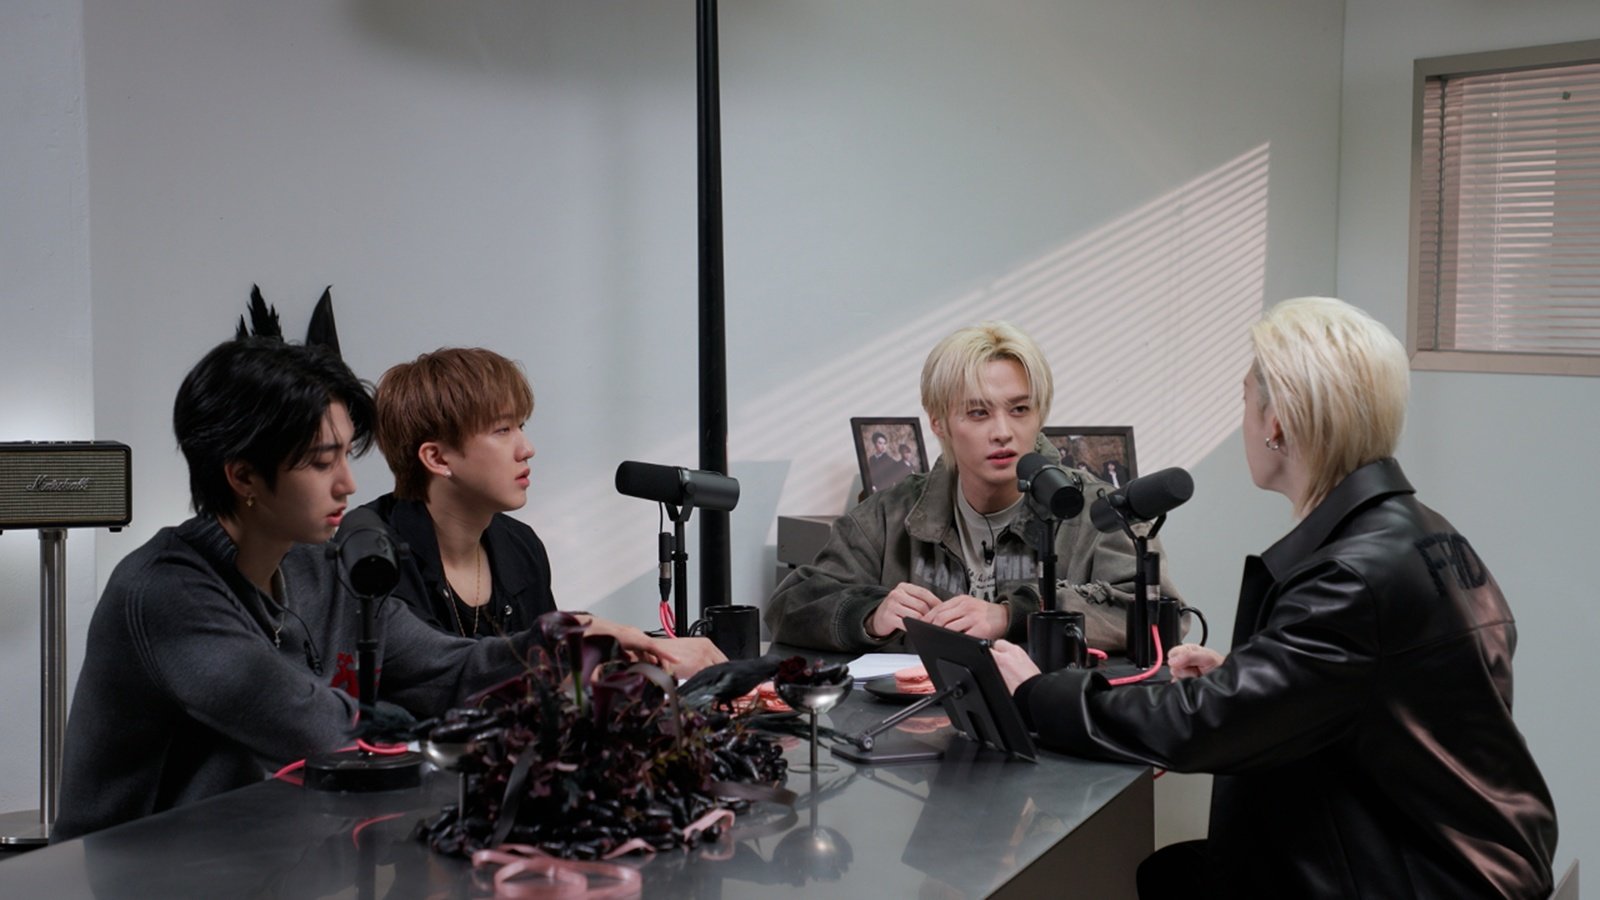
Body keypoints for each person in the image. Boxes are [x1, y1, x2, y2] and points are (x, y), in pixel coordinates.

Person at [992, 297, 1557, 898]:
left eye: (1245, 400)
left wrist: (1038, 694)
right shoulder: (1425, 534)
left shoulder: (1352, 576)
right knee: (1171, 873)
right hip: (1466, 862)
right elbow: (1387, 694)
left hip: (1418, 880)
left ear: (1278, 423)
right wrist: (1250, 674)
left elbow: (1203, 726)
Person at [54, 338, 548, 840]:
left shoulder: (324, 567)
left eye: (346, 456)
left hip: (267, 861)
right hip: (140, 871)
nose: (348, 484)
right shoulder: (164, 591)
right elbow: (316, 730)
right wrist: (415, 725)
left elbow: (449, 669)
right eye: (321, 462)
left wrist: (563, 644)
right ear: (244, 476)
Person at [767, 321, 1178, 653]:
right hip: (918, 722)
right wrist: (870, 615)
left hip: (1046, 719)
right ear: (939, 422)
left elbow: (1162, 618)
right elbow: (789, 605)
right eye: (978, 413)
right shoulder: (892, 513)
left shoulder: (1096, 512)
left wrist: (1014, 616)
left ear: (1039, 414)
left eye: (1020, 409)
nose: (1003, 432)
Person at [365, 347, 723, 677]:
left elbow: (550, 681)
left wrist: (647, 661)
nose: (527, 448)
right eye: (502, 430)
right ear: (437, 458)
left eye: (521, 426)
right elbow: (434, 677)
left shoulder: (519, 545)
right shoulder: (371, 556)